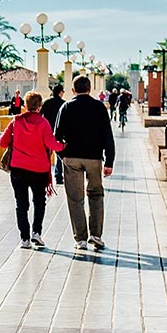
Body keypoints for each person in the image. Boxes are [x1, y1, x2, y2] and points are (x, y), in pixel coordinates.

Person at [53, 75, 116, 250]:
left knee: (75, 198)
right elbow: (107, 136)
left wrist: (62, 155)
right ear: (89, 89)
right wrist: (109, 160)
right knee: (96, 195)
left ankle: (80, 239)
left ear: (73, 90)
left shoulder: (66, 107)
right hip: (94, 158)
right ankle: (95, 235)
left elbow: (56, 136)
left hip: (71, 158)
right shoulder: (99, 107)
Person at [0, 91, 63, 249]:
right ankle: (36, 233)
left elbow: (2, 143)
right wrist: (64, 146)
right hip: (39, 171)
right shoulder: (43, 123)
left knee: (21, 204)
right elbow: (52, 144)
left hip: (18, 169)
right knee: (39, 202)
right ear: (40, 107)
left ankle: (24, 239)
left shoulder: (16, 121)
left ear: (24, 106)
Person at [42, 83, 66, 190]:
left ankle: (45, 176)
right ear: (60, 92)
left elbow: (40, 116)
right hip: (59, 133)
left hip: (46, 132)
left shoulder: (46, 103)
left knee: (46, 155)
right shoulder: (64, 104)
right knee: (59, 156)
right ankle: (58, 176)